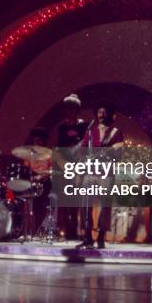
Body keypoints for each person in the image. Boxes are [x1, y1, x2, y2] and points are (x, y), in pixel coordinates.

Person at [77, 102, 124, 249]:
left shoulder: (116, 132)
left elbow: (118, 155)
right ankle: (88, 237)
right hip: (90, 172)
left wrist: (107, 155)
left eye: (104, 112)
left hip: (106, 173)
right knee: (85, 204)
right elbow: (82, 150)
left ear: (109, 114)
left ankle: (102, 236)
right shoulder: (90, 132)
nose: (101, 115)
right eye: (99, 112)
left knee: (105, 205)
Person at [56, 93, 87, 239]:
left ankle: (75, 231)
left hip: (79, 167)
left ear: (77, 110)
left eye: (72, 108)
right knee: (63, 200)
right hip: (64, 167)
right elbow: (59, 148)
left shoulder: (84, 126)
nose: (69, 111)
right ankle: (64, 230)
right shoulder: (62, 127)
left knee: (75, 200)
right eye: (67, 109)